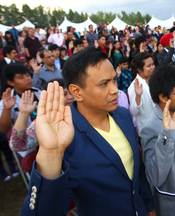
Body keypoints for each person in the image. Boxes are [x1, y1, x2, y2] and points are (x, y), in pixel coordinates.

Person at [21, 48, 155, 216]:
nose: (115, 89)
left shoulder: (122, 115)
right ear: (77, 91)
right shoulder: (67, 139)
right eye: (104, 83)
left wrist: (148, 205)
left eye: (114, 80)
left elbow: (137, 170)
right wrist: (50, 154)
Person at [141, 65, 175, 216]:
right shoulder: (151, 127)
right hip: (174, 198)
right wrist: (166, 133)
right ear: (164, 97)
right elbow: (155, 176)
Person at [9, 79, 74, 152]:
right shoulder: (48, 119)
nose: (70, 97)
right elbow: (18, 145)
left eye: (71, 93)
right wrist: (23, 113)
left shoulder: (81, 109)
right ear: (51, 97)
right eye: (64, 94)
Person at [0, 64, 41, 158]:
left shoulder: (39, 93)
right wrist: (7, 109)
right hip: (29, 146)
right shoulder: (6, 102)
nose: (27, 79)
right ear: (11, 82)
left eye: (27, 75)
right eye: (21, 77)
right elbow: (3, 129)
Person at [128, 52, 155, 137]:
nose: (152, 68)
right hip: (146, 131)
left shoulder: (154, 80)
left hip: (158, 126)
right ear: (139, 69)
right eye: (148, 66)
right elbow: (134, 112)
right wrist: (138, 97)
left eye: (153, 64)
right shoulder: (134, 86)